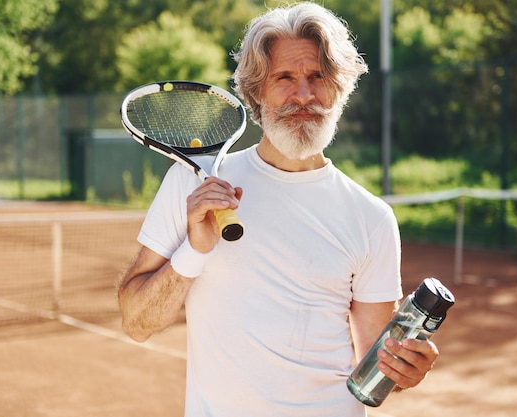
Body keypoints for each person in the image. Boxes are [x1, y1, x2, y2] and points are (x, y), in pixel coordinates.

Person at [117, 2, 439, 416]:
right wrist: (194, 250)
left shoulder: (372, 218)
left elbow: (378, 367)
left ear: (339, 88)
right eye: (284, 77)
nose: (303, 95)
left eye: (317, 77)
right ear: (256, 91)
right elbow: (137, 322)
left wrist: (407, 368)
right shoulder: (195, 183)